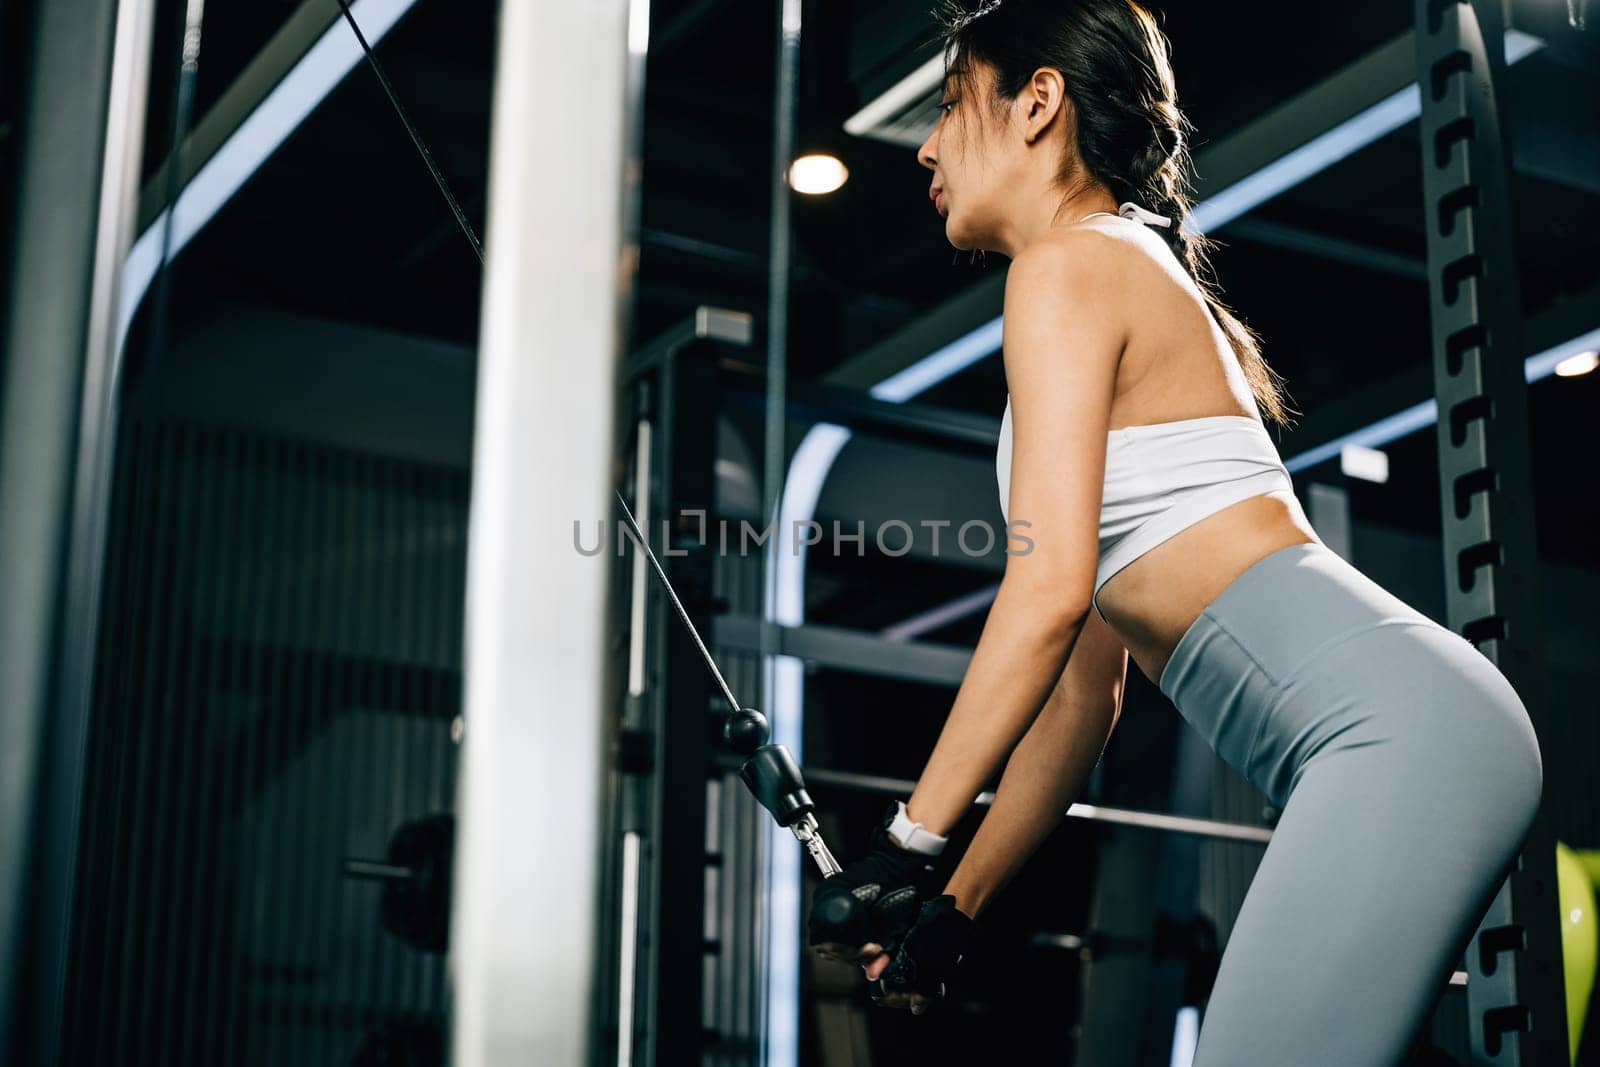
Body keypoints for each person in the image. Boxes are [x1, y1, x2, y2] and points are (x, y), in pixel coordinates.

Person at [806, 1, 1544, 1062]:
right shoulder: (1102, 272)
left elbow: (1046, 590)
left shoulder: (1066, 267)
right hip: (1408, 732)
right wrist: (952, 902)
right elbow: (1081, 688)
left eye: (951, 103)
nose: (923, 144)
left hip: (1397, 733)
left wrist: (906, 836)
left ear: (1038, 104)